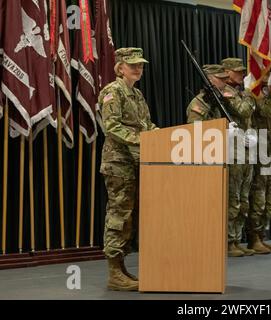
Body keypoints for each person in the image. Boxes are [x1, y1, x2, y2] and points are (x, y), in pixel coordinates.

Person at [99, 47, 159, 291]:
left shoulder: (137, 95)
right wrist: (143, 139)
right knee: (118, 215)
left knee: (129, 216)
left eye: (141, 65)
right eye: (133, 64)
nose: (138, 68)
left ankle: (121, 267)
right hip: (118, 163)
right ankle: (114, 271)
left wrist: (160, 135)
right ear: (120, 67)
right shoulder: (112, 92)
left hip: (135, 161)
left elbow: (146, 124)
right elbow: (111, 127)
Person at [221, 58, 257, 257]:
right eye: (238, 72)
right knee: (233, 199)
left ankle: (236, 238)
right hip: (233, 152)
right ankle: (229, 240)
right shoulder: (227, 92)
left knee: (244, 199)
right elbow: (244, 110)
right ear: (226, 72)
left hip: (246, 150)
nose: (242, 75)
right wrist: (250, 93)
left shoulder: (240, 93)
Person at [247, 73, 271, 254]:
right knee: (259, 199)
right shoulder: (254, 95)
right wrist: (270, 92)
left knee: (270, 199)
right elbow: (265, 111)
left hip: (270, 150)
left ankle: (262, 235)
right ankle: (254, 238)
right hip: (260, 151)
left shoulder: (269, 96)